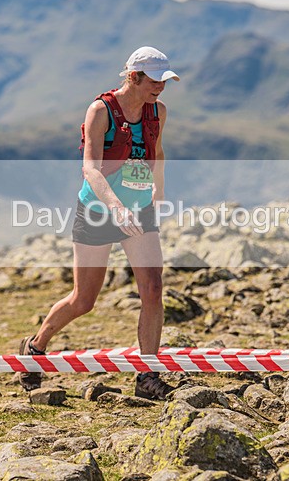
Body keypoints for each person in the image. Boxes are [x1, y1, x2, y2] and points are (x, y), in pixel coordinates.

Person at [18, 46, 180, 400]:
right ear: (133, 77)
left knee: (153, 289)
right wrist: (115, 207)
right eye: (154, 81)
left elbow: (158, 151)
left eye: (164, 81)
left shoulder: (158, 112)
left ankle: (147, 376)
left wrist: (159, 190)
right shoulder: (101, 111)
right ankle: (36, 344)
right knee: (84, 299)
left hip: (139, 212)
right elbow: (90, 168)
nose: (160, 88)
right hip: (97, 210)